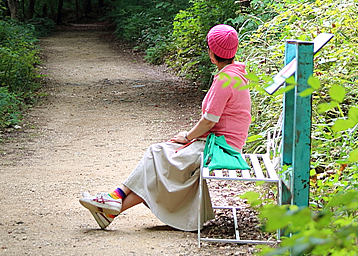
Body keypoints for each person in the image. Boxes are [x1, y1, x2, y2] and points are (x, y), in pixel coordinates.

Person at [79, 24, 251, 231]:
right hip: (217, 142)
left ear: (212, 53)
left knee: (157, 155)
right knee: (157, 154)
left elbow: (209, 121)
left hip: (220, 148)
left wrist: (187, 137)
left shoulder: (225, 79)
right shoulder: (236, 74)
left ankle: (114, 199)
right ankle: (111, 207)